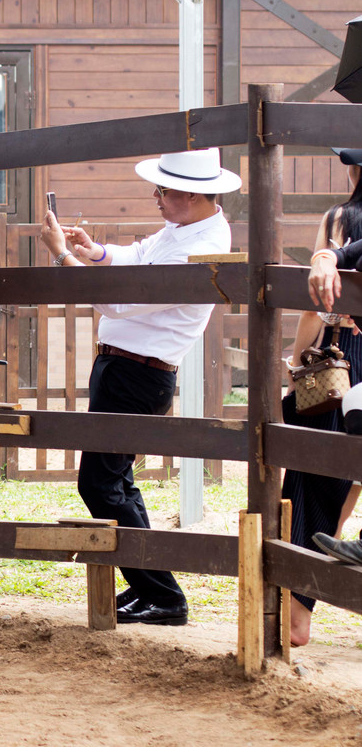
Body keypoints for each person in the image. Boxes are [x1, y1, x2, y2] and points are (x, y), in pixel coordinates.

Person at [38, 147, 240, 626]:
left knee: (100, 483)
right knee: (116, 481)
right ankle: (150, 585)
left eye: (165, 190)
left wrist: (65, 257)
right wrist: (97, 252)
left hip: (138, 371)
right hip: (130, 368)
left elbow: (125, 302)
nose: (156, 196)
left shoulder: (199, 242)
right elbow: (141, 258)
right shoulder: (188, 229)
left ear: (191, 194)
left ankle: (162, 594)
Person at [289, 148, 362, 643]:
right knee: (350, 483)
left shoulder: (339, 219)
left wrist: (297, 364)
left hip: (338, 354)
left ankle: (298, 616)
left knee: (314, 475)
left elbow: (317, 305)